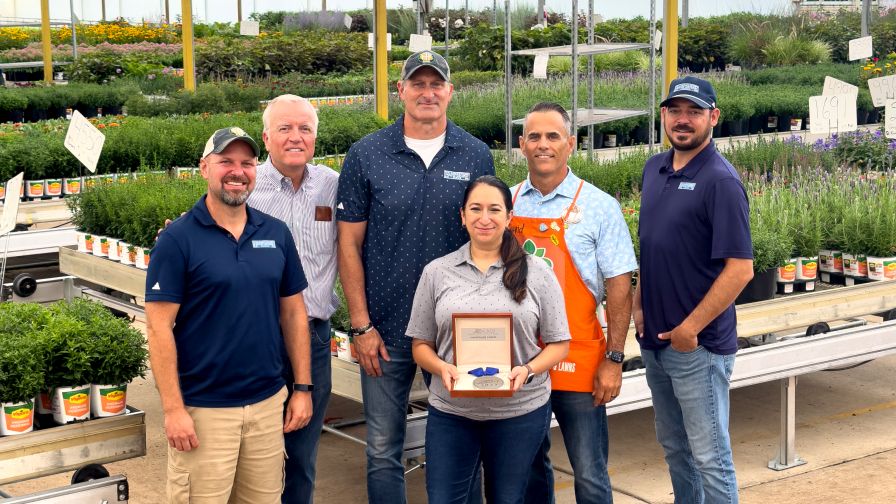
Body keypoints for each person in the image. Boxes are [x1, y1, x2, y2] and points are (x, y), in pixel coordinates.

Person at [336, 49, 494, 504]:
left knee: (466, 444)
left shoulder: (475, 153)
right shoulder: (367, 154)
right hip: (385, 330)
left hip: (457, 330)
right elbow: (348, 244)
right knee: (384, 447)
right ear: (400, 91)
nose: (428, 92)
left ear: (449, 91)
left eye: (436, 83)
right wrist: (361, 325)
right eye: (417, 83)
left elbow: (486, 239)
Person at [146, 127, 314, 503]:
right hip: (204, 411)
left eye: (247, 163)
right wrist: (174, 410)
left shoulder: (275, 233)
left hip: (267, 405)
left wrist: (302, 388)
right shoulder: (178, 240)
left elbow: (293, 314)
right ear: (204, 168)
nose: (237, 171)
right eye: (226, 162)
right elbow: (158, 328)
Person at [406, 175, 570, 504]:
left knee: (508, 499)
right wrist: (441, 368)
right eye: (475, 209)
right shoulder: (437, 272)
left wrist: (527, 370)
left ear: (509, 217)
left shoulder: (536, 271)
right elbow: (420, 345)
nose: (484, 218)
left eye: (494, 209)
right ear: (462, 215)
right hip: (452, 412)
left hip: (519, 412)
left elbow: (559, 343)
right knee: (443, 498)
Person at [635, 76, 753, 503]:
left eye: (694, 111)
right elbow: (652, 244)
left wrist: (690, 329)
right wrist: (638, 305)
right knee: (675, 449)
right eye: (675, 110)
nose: (683, 120)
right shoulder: (655, 168)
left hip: (696, 348)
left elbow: (740, 269)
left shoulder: (720, 181)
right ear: (663, 115)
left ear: (713, 117)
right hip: (656, 341)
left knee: (710, 456)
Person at [513, 102, 637, 504]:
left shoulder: (600, 206)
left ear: (570, 144)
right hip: (522, 361)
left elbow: (620, 285)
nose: (543, 145)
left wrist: (614, 359)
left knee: (589, 472)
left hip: (580, 359)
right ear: (521, 145)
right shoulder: (507, 203)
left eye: (552, 136)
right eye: (534, 136)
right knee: (528, 468)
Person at [248, 94, 339, 504]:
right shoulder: (247, 187)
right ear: (266, 137)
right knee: (254, 457)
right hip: (256, 339)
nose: (295, 137)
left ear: (315, 139)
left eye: (304, 129)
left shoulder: (332, 185)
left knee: (302, 457)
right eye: (285, 128)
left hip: (315, 339)